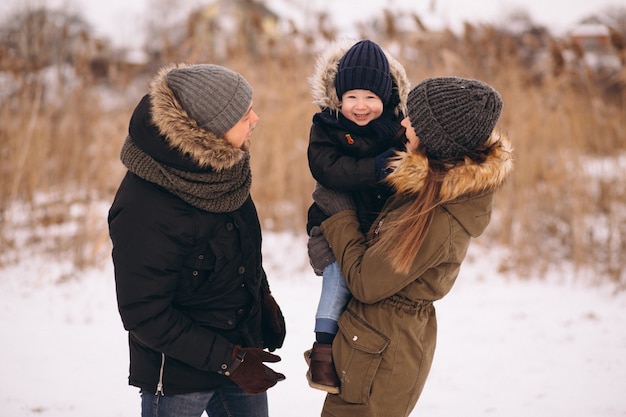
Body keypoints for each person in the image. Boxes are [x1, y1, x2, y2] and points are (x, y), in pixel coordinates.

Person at [313, 76, 513, 417]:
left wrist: (339, 214)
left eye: (414, 120)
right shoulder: (429, 189)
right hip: (374, 342)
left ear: (438, 140)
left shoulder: (438, 216)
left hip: (382, 353)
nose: (404, 121)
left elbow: (366, 281)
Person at [108, 63, 286, 417]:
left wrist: (262, 297)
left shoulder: (226, 172)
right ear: (210, 132)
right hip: (178, 377)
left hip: (240, 355)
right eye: (243, 115)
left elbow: (242, 245)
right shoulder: (144, 207)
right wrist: (229, 361)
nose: (256, 118)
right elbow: (145, 314)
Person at [304, 39, 410, 393]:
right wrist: (378, 168)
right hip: (333, 222)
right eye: (351, 97)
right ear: (338, 97)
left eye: (370, 97)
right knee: (338, 277)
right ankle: (321, 350)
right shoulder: (327, 126)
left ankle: (354, 350)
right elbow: (329, 170)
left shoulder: (398, 129)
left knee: (373, 290)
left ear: (386, 98)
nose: (360, 106)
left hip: (378, 227)